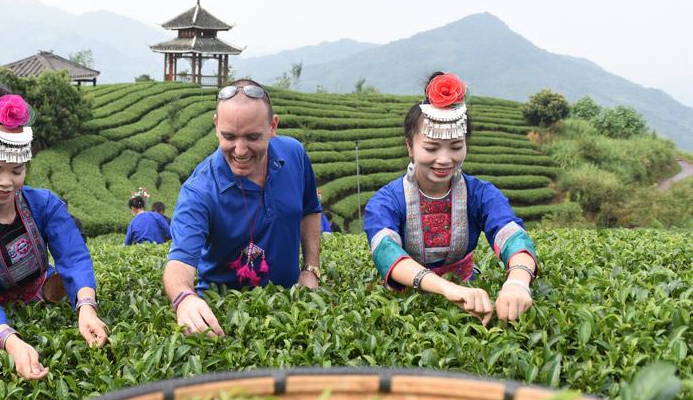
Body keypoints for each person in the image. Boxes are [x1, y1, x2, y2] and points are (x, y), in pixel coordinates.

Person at [0, 87, 108, 381]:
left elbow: (72, 255)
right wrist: (11, 341)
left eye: (16, 172)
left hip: (42, 287)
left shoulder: (44, 204)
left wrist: (86, 308)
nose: (5, 183)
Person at [364, 72, 537, 325]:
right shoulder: (386, 201)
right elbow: (385, 251)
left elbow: (511, 235)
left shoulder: (481, 194)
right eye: (432, 148)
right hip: (405, 306)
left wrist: (518, 280)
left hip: (469, 299)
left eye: (456, 147)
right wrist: (447, 289)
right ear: (409, 147)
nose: (445, 159)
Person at [163, 79, 323, 336]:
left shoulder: (294, 153)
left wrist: (311, 268)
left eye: (252, 137)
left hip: (291, 310)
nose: (240, 150)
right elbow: (180, 261)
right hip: (225, 314)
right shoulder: (199, 190)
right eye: (229, 136)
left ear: (273, 126)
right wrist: (184, 298)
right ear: (216, 126)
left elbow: (309, 209)